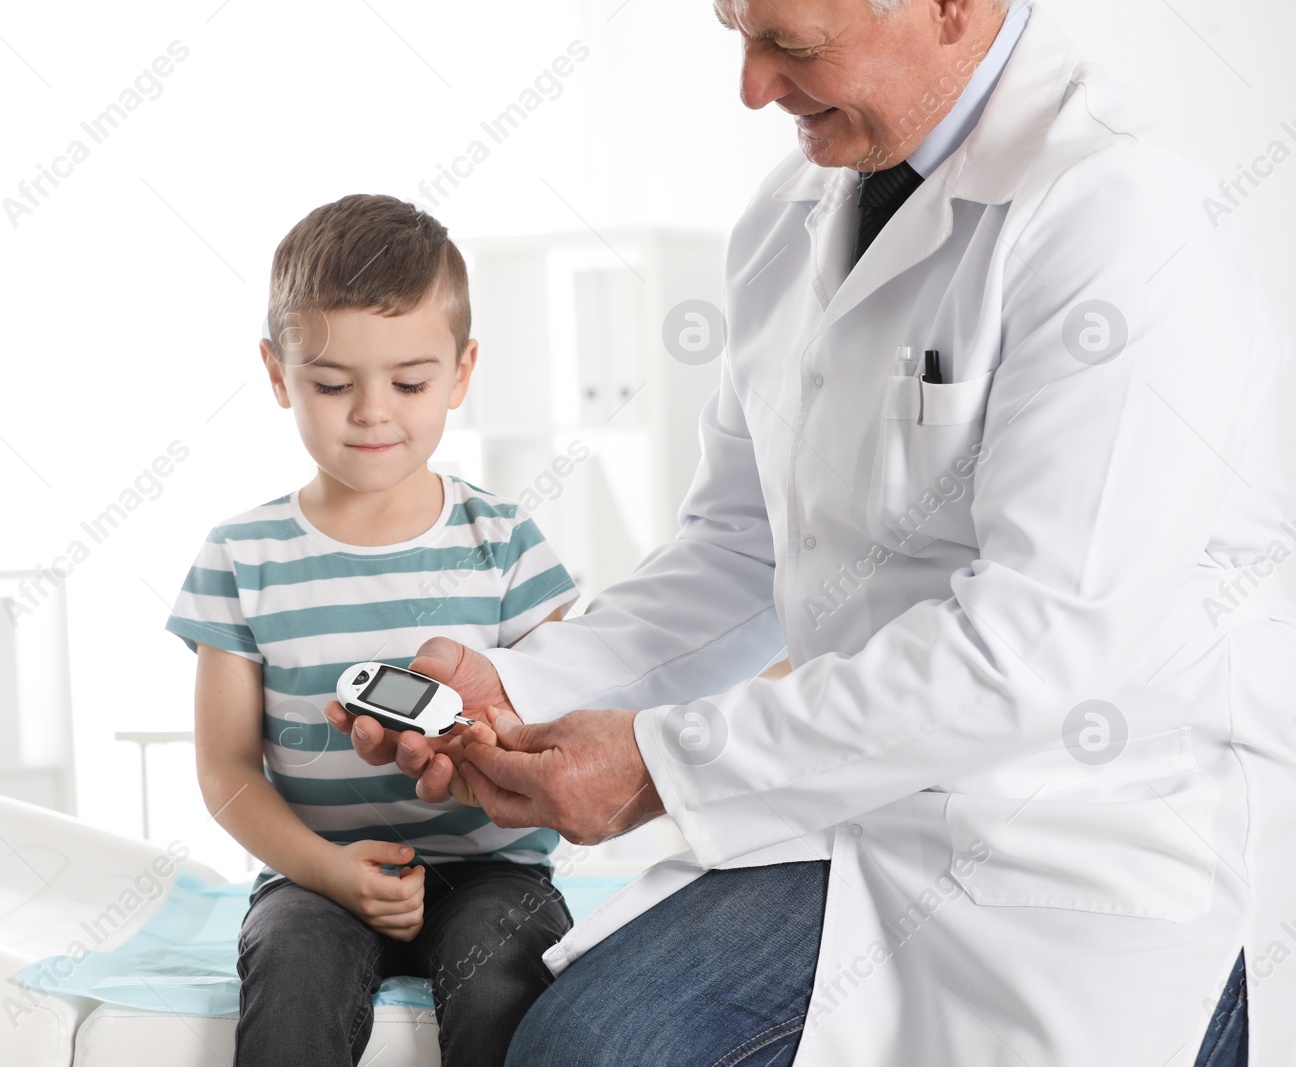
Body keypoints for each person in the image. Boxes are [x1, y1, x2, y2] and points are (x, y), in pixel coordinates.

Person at [328, 1, 1296, 1065]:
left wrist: (660, 766)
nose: (750, 87)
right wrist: (522, 686)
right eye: (734, 30)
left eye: (790, 44)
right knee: (582, 1042)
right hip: (859, 801)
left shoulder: (1119, 216)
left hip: (1087, 838)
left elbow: (1037, 643)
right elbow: (741, 549)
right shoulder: (790, 215)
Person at [166, 193, 577, 1067]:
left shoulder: (505, 541)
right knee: (291, 968)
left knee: (510, 970)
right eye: (332, 383)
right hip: (314, 875)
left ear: (462, 373)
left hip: (495, 871)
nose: (372, 412)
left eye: (410, 381)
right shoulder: (241, 556)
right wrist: (323, 870)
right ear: (279, 374)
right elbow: (225, 767)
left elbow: (566, 715)